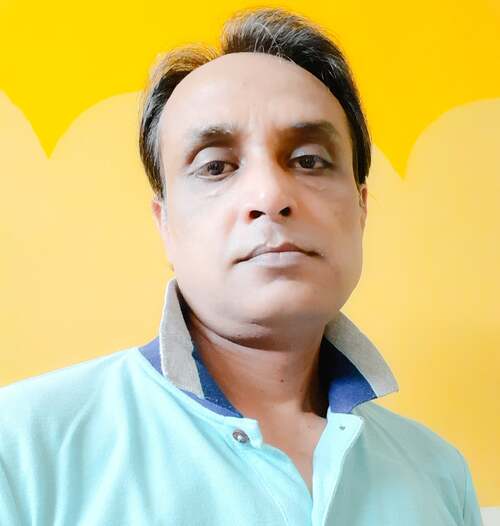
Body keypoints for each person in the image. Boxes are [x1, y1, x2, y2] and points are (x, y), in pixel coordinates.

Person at [0, 7, 483, 525]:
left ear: (361, 207)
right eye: (216, 166)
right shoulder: (21, 447)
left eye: (309, 160)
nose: (270, 196)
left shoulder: (438, 474)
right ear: (165, 223)